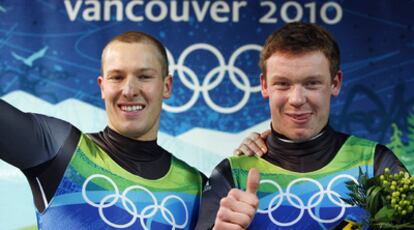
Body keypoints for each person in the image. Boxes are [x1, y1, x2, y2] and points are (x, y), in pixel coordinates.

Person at [195, 22, 407, 230]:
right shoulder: (233, 172)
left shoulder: (376, 163)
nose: (296, 99)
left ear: (335, 83)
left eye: (312, 83)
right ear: (264, 85)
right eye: (283, 84)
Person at [0, 31, 206, 229]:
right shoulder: (61, 150)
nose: (129, 91)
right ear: (102, 87)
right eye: (117, 77)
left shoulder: (197, 186)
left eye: (144, 76)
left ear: (167, 86)